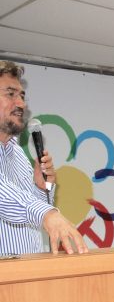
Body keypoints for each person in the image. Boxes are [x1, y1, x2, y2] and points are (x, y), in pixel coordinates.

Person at [0, 60, 88, 255]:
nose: (21, 104)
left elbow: (32, 215)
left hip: (31, 269)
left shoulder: (18, 154)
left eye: (22, 96)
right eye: (11, 94)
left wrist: (42, 189)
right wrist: (46, 213)